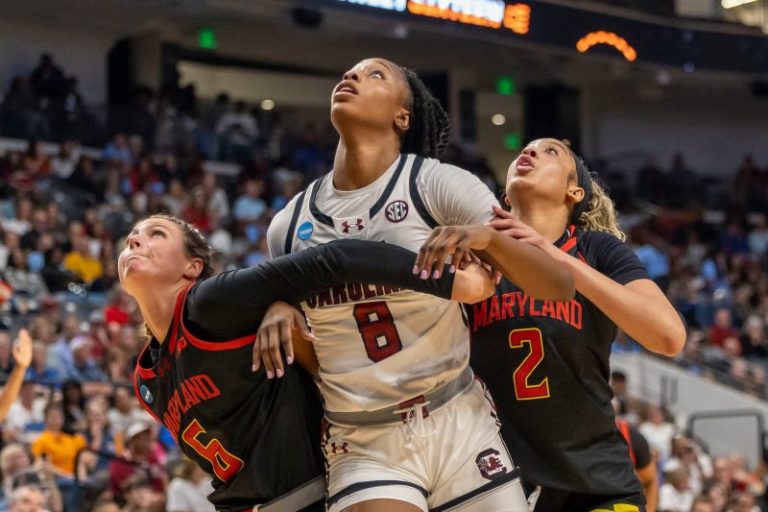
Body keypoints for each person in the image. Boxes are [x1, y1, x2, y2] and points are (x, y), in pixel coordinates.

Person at [267, 58, 573, 512]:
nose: (350, 76)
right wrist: (278, 306)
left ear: (402, 116)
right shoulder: (288, 225)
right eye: (349, 72)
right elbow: (303, 345)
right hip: (364, 436)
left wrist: (490, 238)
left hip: (455, 415)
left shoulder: (437, 185)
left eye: (374, 75)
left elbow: (558, 284)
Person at [122, 214, 499, 511]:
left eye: (156, 233)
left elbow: (337, 259)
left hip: (319, 493)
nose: (135, 240)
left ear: (192, 267)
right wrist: (280, 306)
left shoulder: (207, 303)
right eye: (132, 238)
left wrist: (448, 282)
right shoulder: (145, 381)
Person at [416, 138, 685, 511]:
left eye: (549, 152)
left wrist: (551, 255)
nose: (528, 153)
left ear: (574, 192)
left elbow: (668, 337)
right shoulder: (474, 254)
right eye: (524, 150)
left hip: (595, 483)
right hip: (496, 482)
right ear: (505, 197)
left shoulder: (596, 251)